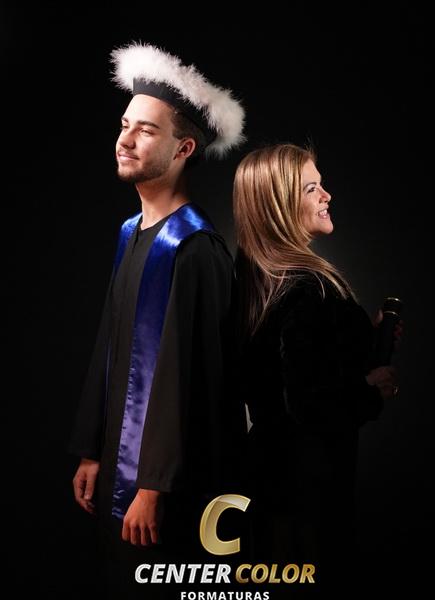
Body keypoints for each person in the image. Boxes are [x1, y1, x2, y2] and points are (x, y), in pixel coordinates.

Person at [69, 43, 246, 598]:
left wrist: (151, 487)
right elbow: (111, 344)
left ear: (184, 148)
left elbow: (187, 380)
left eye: (145, 130)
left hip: (166, 492)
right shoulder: (132, 233)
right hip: (119, 472)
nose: (124, 139)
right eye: (125, 125)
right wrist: (93, 448)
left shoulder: (195, 250)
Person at [233, 143, 400, 597]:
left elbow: (287, 375)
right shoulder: (308, 287)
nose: (327, 195)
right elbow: (308, 405)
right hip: (307, 496)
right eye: (311, 188)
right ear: (279, 205)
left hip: (269, 485)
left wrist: (363, 340)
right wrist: (370, 390)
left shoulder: (257, 281)